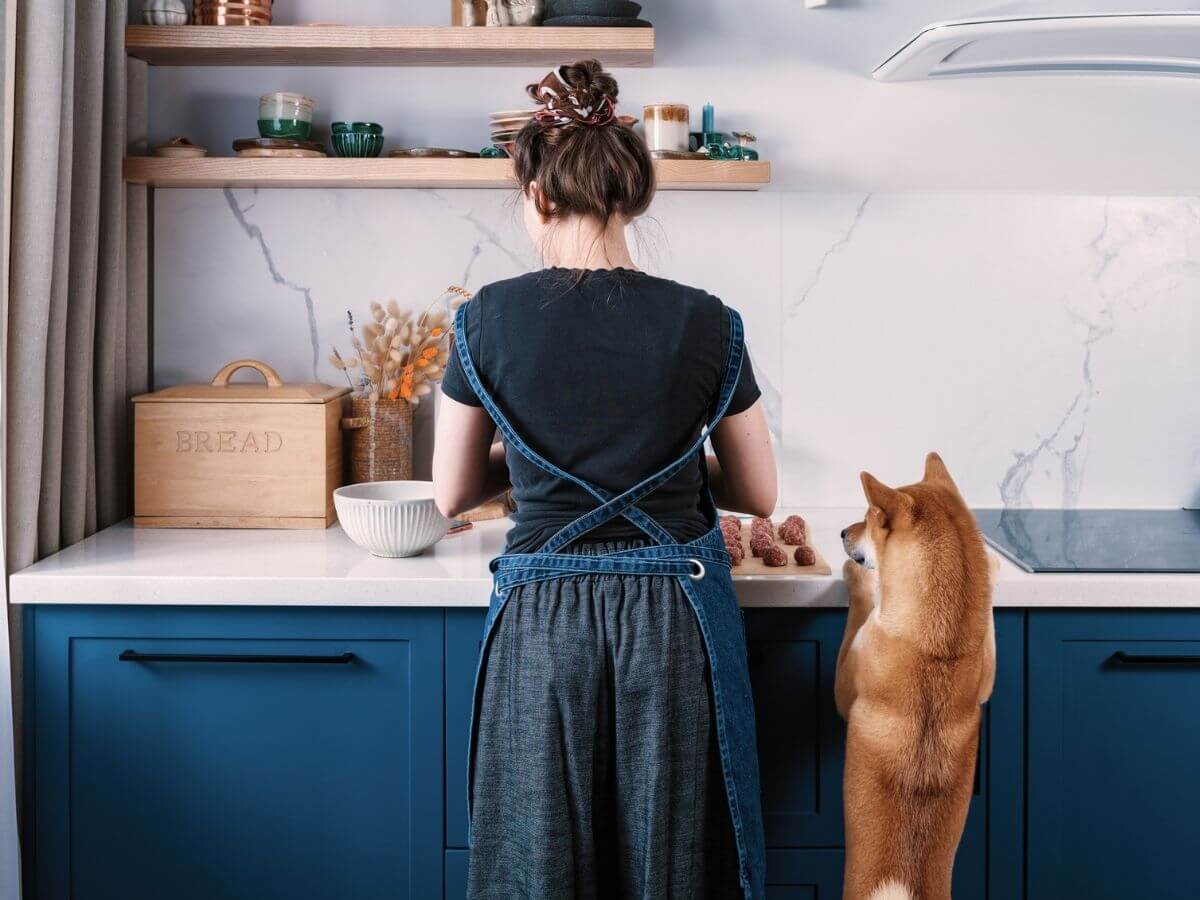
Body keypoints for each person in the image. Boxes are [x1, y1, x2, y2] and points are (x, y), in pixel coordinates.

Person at [433, 59, 776, 900]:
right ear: (632, 194)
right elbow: (757, 492)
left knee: (538, 867)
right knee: (674, 871)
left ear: (539, 196)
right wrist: (655, 461)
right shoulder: (707, 319)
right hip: (675, 622)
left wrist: (534, 457)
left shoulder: (484, 319)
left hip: (544, 627)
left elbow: (450, 493)